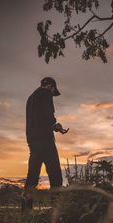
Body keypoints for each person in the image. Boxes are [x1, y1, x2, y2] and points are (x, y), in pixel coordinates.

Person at [22, 77, 68, 211]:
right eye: (53, 91)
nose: (53, 94)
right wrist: (56, 125)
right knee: (55, 175)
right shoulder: (45, 93)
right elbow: (48, 116)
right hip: (45, 140)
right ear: (50, 86)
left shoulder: (30, 98)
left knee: (32, 178)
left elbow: (39, 118)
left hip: (32, 140)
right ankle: (55, 211)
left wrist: (53, 125)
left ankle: (25, 212)